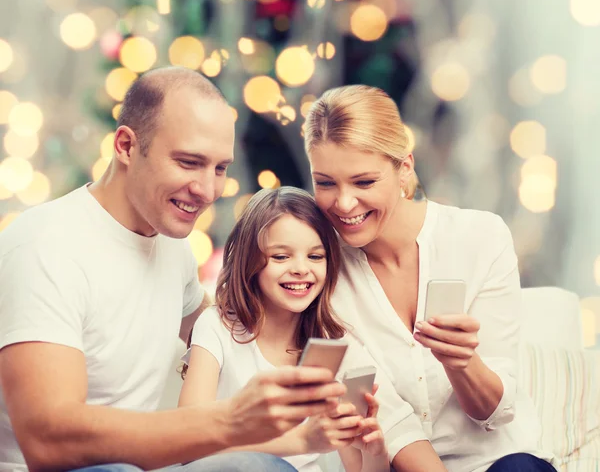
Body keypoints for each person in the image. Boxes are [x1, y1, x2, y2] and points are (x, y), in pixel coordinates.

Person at [0, 67, 346, 472]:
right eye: (188, 162)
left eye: (219, 168)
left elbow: (226, 323)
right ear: (127, 146)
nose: (207, 190)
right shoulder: (45, 246)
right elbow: (47, 440)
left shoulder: (172, 247)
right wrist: (231, 421)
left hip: (138, 468)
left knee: (260, 466)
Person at [302, 84, 557, 472]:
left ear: (404, 168)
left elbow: (496, 412)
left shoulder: (480, 238)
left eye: (364, 182)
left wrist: (461, 363)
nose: (344, 203)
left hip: (499, 462)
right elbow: (386, 418)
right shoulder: (321, 271)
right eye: (325, 183)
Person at [179, 186, 448, 472]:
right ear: (250, 261)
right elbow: (188, 444)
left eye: (315, 257)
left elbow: (360, 467)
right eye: (281, 257)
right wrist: (299, 441)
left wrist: (374, 452)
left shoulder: (332, 345)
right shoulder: (218, 326)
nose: (300, 268)